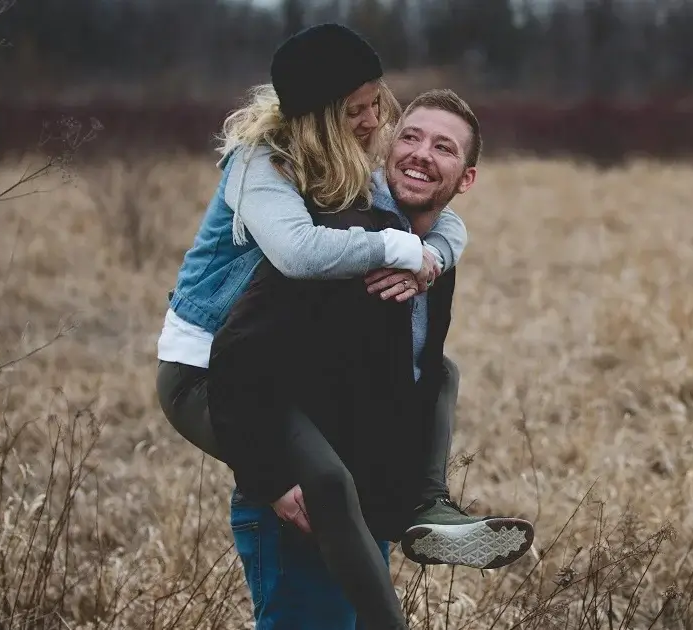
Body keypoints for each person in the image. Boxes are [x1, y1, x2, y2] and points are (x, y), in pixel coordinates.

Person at [151, 23, 531, 627]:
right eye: (356, 109)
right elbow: (299, 252)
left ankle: (426, 504)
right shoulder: (260, 165)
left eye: (377, 103)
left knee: (438, 374)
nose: (373, 119)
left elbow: (435, 214)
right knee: (323, 481)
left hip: (265, 369)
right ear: (320, 115)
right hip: (204, 367)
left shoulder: (345, 165)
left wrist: (431, 259)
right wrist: (397, 250)